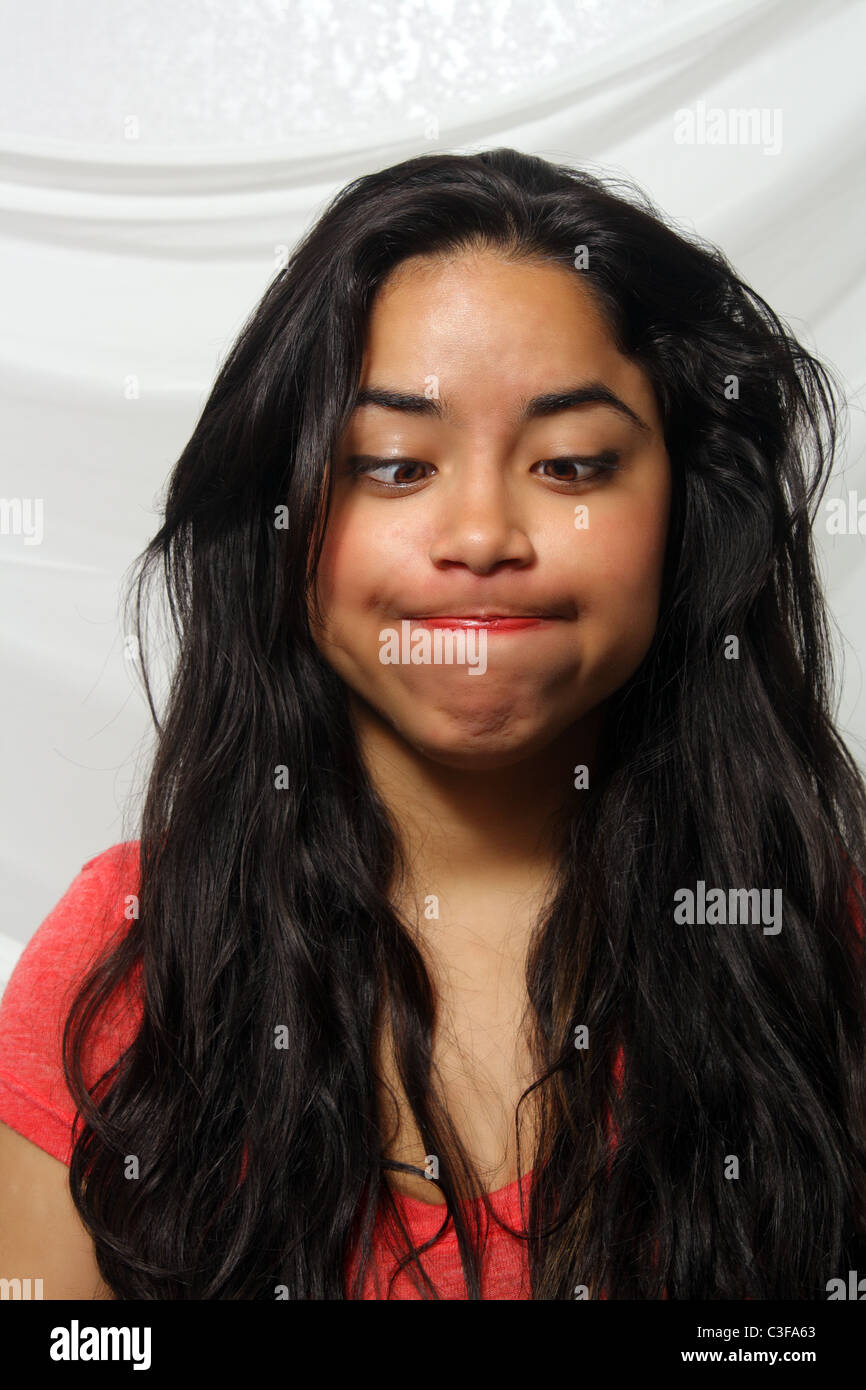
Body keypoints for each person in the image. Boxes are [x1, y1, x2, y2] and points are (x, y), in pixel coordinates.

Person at [1, 147, 865, 1300]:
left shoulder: (831, 953)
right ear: (283, 520)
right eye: (394, 465)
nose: (479, 534)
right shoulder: (125, 963)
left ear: (685, 513)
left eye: (569, 463)